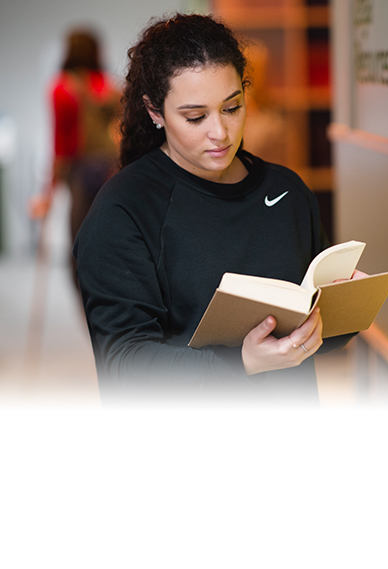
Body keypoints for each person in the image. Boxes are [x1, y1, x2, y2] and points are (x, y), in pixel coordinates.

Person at [73, 13, 358, 407]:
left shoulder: (287, 191)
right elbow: (124, 364)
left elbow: (315, 329)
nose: (220, 133)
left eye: (231, 108)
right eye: (195, 117)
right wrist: (239, 363)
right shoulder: (123, 210)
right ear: (155, 112)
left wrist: (343, 309)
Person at [30, 28, 121, 283]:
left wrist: (49, 191)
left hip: (81, 173)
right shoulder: (111, 88)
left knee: (80, 249)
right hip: (114, 171)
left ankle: (91, 314)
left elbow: (62, 144)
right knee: (109, 243)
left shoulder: (62, 88)